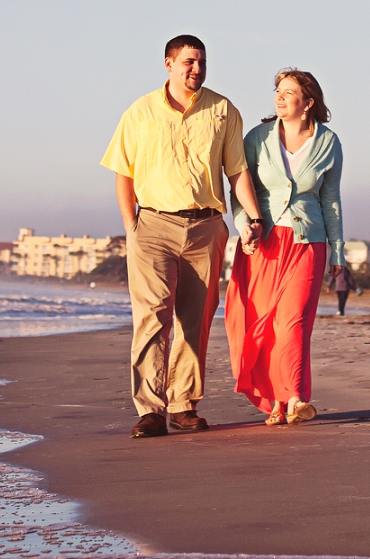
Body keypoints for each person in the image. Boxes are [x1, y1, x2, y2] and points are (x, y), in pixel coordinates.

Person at [101, 35, 263, 439]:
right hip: (152, 226)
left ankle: (183, 403)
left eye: (202, 62)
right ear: (169, 64)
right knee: (152, 317)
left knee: (196, 319)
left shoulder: (223, 110)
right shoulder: (140, 112)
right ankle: (150, 410)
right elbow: (124, 172)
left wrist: (254, 218)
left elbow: (237, 171)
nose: (196, 69)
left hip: (206, 226)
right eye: (189, 61)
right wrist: (130, 226)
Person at [226, 67, 344, 426]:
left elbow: (331, 200)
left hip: (309, 242)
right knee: (262, 325)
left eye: (289, 92)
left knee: (293, 321)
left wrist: (338, 253)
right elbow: (240, 188)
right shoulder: (256, 138)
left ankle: (294, 397)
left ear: (307, 103)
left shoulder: (328, 142)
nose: (280, 96)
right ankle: (274, 400)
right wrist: (245, 226)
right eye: (278, 90)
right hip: (264, 243)